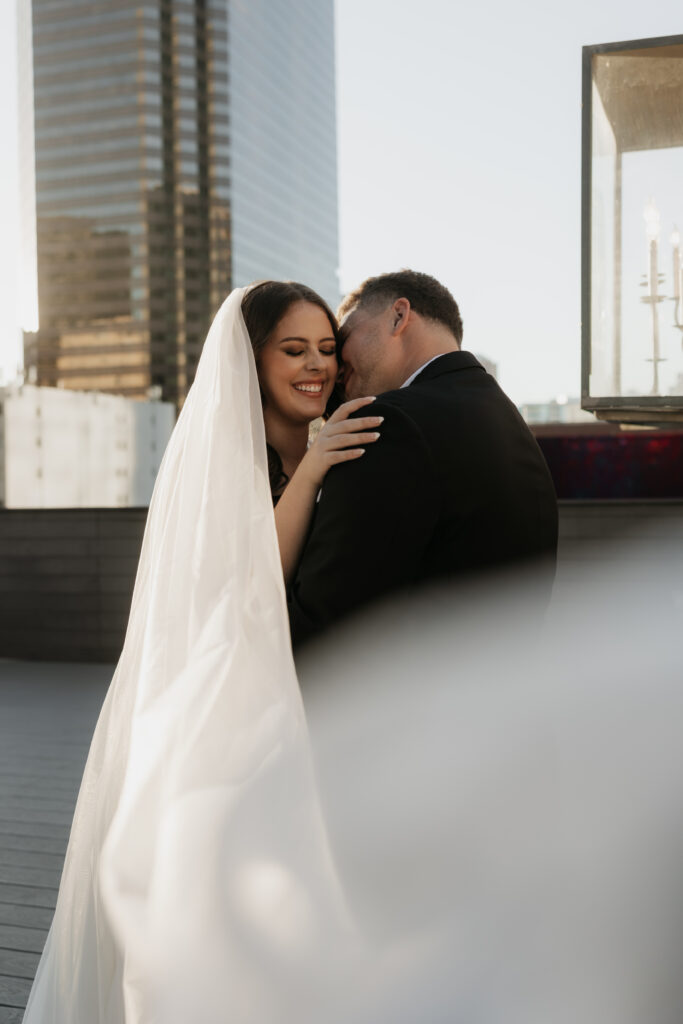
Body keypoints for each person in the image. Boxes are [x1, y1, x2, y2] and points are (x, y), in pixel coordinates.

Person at [20, 283, 371, 1024]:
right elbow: (248, 585)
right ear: (250, 359)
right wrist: (309, 472)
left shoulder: (312, 440)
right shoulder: (225, 459)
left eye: (326, 349)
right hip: (221, 724)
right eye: (293, 349)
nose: (316, 366)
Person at [288, 269, 559, 645]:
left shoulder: (390, 422)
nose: (336, 367)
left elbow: (324, 623)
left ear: (399, 316)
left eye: (343, 337)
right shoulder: (507, 419)